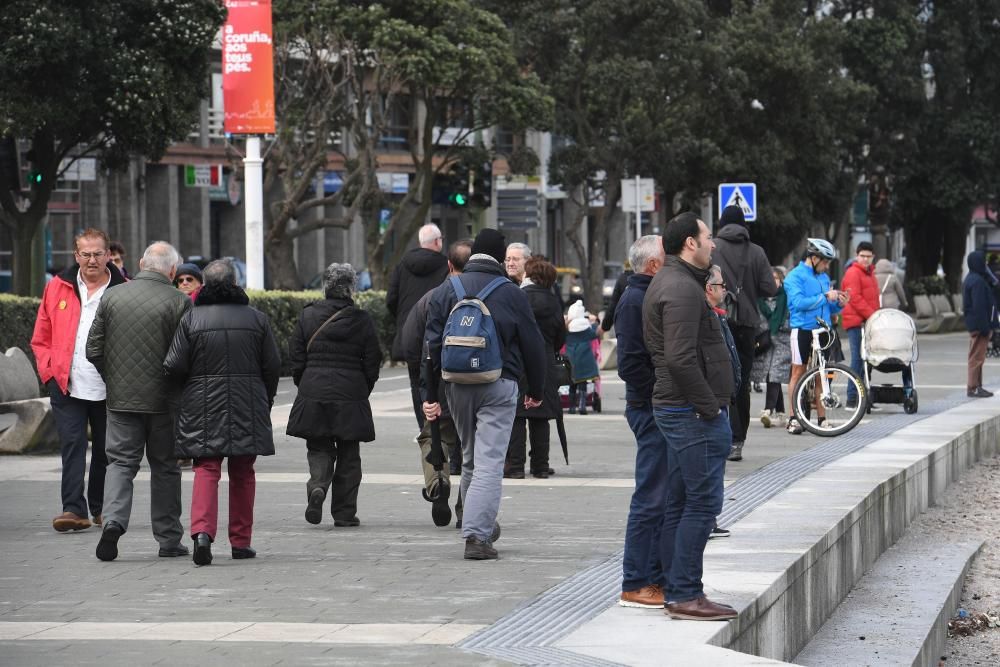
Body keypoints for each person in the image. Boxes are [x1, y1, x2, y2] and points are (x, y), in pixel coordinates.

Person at [423, 228, 546, 560]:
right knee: (491, 461)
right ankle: (477, 536)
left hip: (456, 384)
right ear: (500, 256)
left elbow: (431, 347)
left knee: (470, 459)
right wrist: (535, 389)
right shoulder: (511, 292)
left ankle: (477, 520)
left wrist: (429, 393)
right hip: (498, 383)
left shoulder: (447, 289)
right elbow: (534, 345)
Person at [642, 212, 736, 620]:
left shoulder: (680, 282)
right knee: (702, 503)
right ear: (690, 244)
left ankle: (679, 589)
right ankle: (684, 593)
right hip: (690, 411)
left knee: (682, 503)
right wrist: (709, 407)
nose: (713, 244)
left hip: (684, 408)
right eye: (707, 237)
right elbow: (680, 360)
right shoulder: (680, 288)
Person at [162, 260, 280, 566]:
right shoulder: (257, 319)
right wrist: (263, 401)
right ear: (236, 283)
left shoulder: (192, 319)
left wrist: (186, 393)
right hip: (247, 403)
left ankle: (202, 534)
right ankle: (241, 542)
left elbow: (173, 365)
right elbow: (273, 366)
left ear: (205, 285)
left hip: (202, 404)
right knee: (243, 472)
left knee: (206, 468)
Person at [86, 241, 192, 561]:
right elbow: (187, 356)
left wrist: (115, 379)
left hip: (121, 400)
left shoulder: (113, 296)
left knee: (120, 464)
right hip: (165, 402)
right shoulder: (180, 302)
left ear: (141, 262)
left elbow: (93, 349)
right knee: (165, 468)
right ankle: (169, 539)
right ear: (173, 271)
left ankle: (114, 522)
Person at [31, 228, 126, 532]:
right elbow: (41, 336)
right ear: (76, 256)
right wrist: (48, 370)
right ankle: (73, 509)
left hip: (110, 385)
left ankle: (99, 508)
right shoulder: (57, 286)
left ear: (108, 255)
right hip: (66, 383)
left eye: (98, 253)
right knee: (72, 444)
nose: (92, 260)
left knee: (104, 449)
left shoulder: (124, 288)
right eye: (85, 254)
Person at [287, 263, 383, 526]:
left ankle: (318, 486)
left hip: (314, 389)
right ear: (352, 288)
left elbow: (295, 354)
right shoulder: (361, 319)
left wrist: (304, 382)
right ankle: (344, 513)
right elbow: (373, 359)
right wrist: (363, 387)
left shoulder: (308, 316)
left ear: (325, 287)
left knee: (318, 445)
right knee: (349, 454)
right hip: (350, 393)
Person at [400, 240, 473, 526]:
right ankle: (468, 507)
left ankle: (437, 482)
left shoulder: (432, 298)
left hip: (441, 381)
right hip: (482, 380)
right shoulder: (492, 294)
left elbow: (412, 344)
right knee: (474, 444)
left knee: (434, 436)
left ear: (449, 265)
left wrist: (424, 390)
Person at [615, 235, 667, 609]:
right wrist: (659, 392)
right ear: (652, 265)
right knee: (650, 496)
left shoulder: (646, 295)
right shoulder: (635, 301)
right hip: (649, 408)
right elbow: (630, 364)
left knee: (661, 495)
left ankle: (654, 578)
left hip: (655, 404)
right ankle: (635, 582)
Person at [710, 204, 777, 462]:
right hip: (748, 325)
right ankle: (737, 442)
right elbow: (770, 288)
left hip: (718, 321)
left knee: (717, 378)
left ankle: (720, 436)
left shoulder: (712, 248)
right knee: (742, 381)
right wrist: (747, 294)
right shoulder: (757, 252)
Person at [505, 256, 566, 479]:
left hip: (520, 362)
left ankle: (515, 466)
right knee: (541, 417)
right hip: (546, 362)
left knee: (517, 415)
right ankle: (540, 466)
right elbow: (560, 336)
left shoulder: (519, 297)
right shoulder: (553, 302)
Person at [783, 238, 849, 435]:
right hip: (802, 329)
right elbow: (797, 303)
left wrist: (840, 304)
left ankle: (821, 418)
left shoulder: (824, 278)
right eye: (825, 262)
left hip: (823, 330)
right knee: (797, 372)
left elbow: (828, 305)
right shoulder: (794, 277)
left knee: (822, 373)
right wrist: (824, 297)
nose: (827, 266)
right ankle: (793, 418)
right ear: (813, 258)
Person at [386, 223, 448, 429]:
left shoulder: (403, 264)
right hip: (436, 331)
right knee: (438, 377)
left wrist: (403, 320)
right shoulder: (445, 264)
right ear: (437, 241)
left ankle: (424, 428)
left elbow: (391, 298)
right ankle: (441, 423)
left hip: (410, 333)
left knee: (416, 382)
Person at [841, 242, 880, 408]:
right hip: (856, 322)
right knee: (857, 359)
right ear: (857, 256)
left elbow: (873, 298)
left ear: (873, 257)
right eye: (862, 256)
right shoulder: (853, 273)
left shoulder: (870, 273)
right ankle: (852, 398)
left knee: (866, 360)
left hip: (867, 322)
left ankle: (863, 398)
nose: (865, 259)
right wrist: (873, 315)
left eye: (868, 256)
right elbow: (855, 298)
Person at [752, 267, 792, 428]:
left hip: (783, 342)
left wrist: (779, 325)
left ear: (781, 280)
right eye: (769, 278)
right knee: (771, 375)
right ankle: (781, 413)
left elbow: (791, 321)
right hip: (765, 343)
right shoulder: (759, 300)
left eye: (776, 278)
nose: (772, 281)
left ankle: (767, 410)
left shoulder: (786, 298)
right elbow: (756, 322)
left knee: (774, 374)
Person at [962, 250, 995, 398]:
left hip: (974, 324)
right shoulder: (978, 282)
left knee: (977, 356)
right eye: (983, 261)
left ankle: (977, 386)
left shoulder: (971, 278)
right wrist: (984, 327)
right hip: (979, 325)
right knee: (976, 357)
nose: (985, 264)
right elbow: (979, 306)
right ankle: (973, 387)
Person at [565, 300, 601, 415]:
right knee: (583, 383)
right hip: (585, 358)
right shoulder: (586, 327)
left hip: (571, 358)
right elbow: (596, 333)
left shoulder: (568, 327)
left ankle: (571, 407)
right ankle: (582, 406)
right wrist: (593, 321)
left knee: (572, 383)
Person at [599, 263, 632, 334]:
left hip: (625, 326)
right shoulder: (650, 278)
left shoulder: (622, 279)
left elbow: (613, 305)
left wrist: (605, 326)